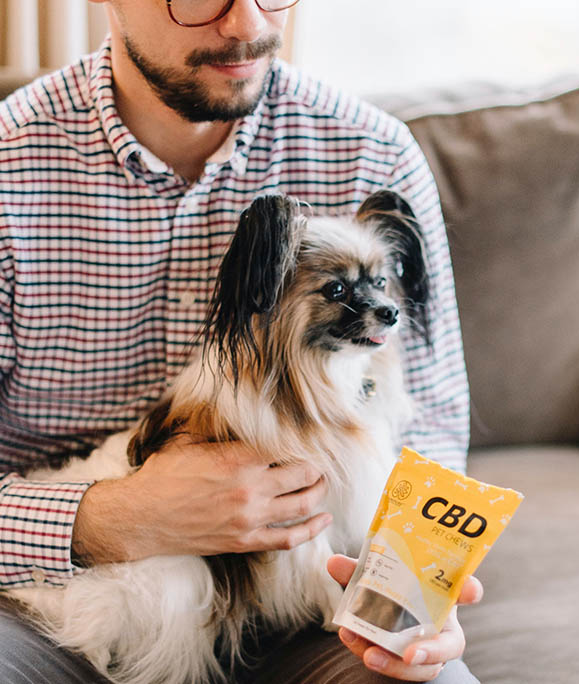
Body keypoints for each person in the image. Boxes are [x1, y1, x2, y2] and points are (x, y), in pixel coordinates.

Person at [0, 0, 479, 681]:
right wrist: (116, 518)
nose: (247, 24)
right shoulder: (10, 168)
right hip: (66, 597)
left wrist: (418, 585)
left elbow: (432, 431)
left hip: (314, 609)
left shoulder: (371, 150)